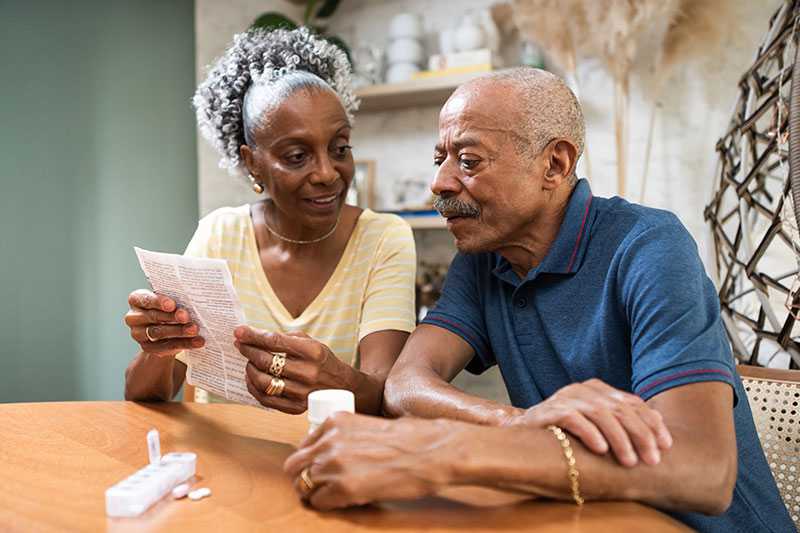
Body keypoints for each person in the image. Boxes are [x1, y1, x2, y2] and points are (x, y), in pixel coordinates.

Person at [283, 68, 793, 531]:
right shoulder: (483, 257)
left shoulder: (650, 247)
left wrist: (447, 450)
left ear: (555, 163)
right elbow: (404, 385)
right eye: (440, 160)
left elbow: (703, 469)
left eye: (468, 160)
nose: (439, 182)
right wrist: (518, 422)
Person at [123, 28, 417, 415]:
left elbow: (386, 395)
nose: (328, 173)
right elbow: (143, 396)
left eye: (340, 147)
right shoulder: (219, 235)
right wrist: (160, 345)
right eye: (297, 156)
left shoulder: (383, 239)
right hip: (224, 461)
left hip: (327, 459)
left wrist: (333, 381)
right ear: (252, 164)